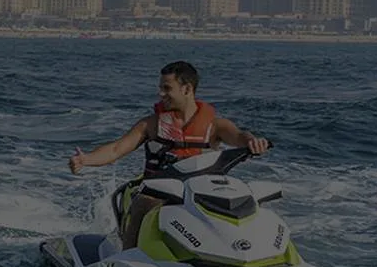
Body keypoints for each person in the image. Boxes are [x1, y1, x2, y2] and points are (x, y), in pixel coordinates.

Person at [67, 61, 271, 248]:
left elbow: (240, 136)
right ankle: (127, 256)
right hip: (158, 191)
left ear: (187, 89)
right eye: (161, 88)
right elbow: (116, 149)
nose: (161, 93)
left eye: (167, 88)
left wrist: (253, 142)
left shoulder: (215, 126)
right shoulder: (152, 124)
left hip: (200, 194)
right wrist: (86, 159)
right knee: (144, 202)